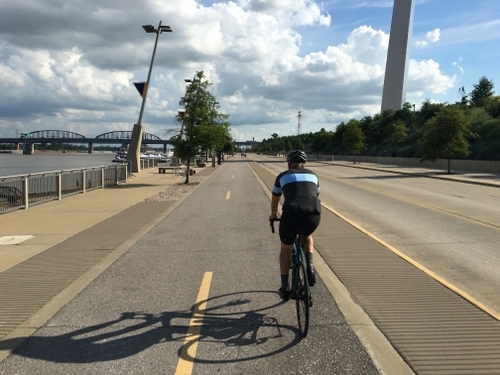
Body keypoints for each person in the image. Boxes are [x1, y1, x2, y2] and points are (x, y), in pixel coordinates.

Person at [269, 150, 321, 301]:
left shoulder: (283, 176)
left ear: (289, 164)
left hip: (291, 215)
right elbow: (315, 196)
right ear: (304, 164)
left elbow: (275, 199)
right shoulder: (314, 176)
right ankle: (310, 265)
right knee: (307, 236)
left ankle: (285, 288)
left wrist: (273, 214)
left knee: (286, 249)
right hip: (312, 214)